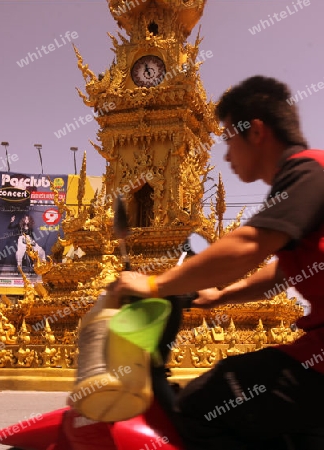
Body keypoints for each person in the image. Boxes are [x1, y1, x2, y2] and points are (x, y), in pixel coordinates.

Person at [107, 75, 324, 449]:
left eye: (228, 139)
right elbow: (281, 271)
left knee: (206, 401)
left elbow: (250, 244)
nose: (225, 155)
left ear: (255, 131)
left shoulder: (309, 171)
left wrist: (155, 284)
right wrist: (220, 297)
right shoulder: (306, 179)